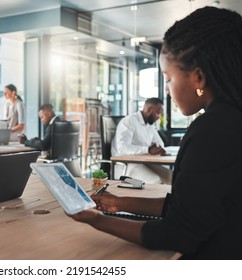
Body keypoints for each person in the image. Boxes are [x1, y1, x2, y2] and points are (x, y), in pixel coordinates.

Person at [69, 6, 242, 260]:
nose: (168, 89)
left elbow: (180, 232)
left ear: (199, 78)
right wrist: (118, 202)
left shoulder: (213, 130)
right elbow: (189, 208)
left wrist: (98, 221)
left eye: (168, 78)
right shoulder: (229, 120)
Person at [111, 97, 172, 184]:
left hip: (144, 163)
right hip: (125, 166)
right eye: (158, 113)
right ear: (149, 109)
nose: (159, 117)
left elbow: (160, 143)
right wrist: (148, 150)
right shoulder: (129, 121)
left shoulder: (150, 125)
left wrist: (158, 148)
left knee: (171, 177)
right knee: (156, 181)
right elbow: (122, 148)